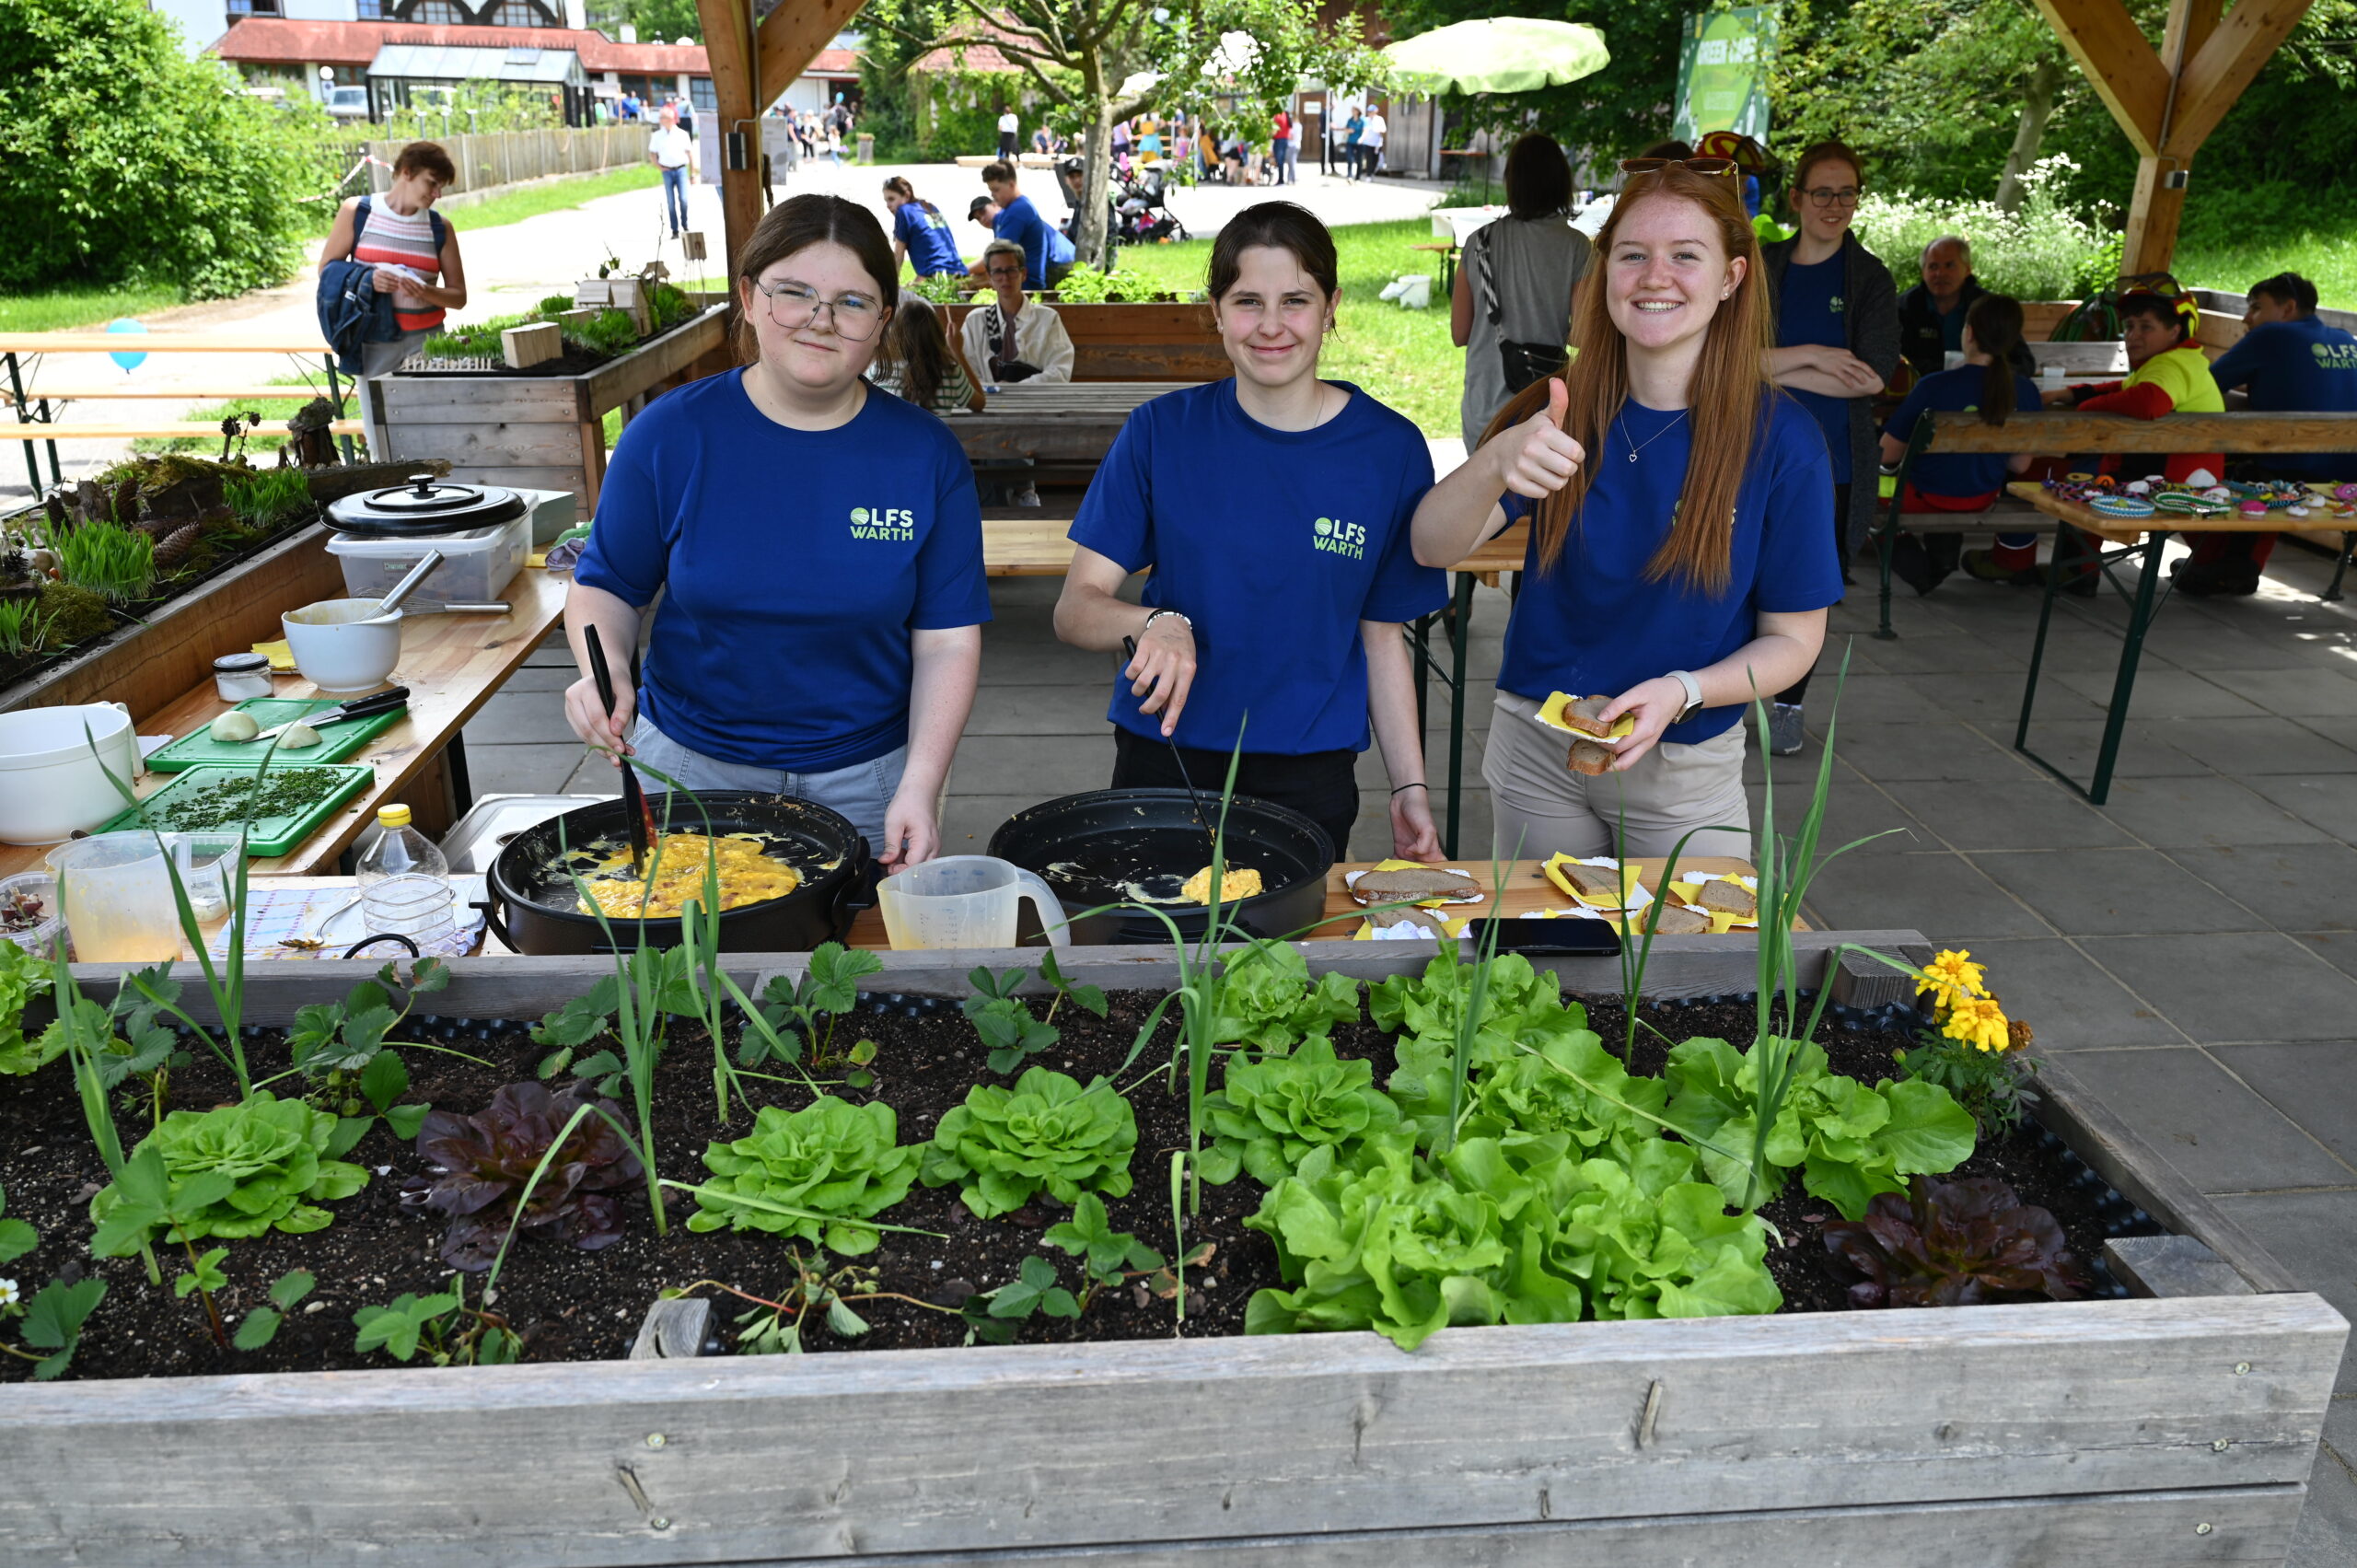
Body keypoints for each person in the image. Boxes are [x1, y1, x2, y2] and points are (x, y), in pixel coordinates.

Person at [1410, 162, 1840, 863]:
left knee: (1688, 968)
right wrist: (1492, 464)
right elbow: (1431, 547)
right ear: (1603, 273)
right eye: (1632, 254)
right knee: (1537, 966)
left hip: (1684, 766)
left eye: (1685, 256)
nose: (1654, 276)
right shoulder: (1558, 409)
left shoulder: (1782, 440)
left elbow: (1794, 640)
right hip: (1539, 747)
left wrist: (1684, 690)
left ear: (1731, 278)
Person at [564, 193, 988, 867]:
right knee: (690, 967)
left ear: (883, 321)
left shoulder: (926, 455)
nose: (820, 321)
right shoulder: (669, 437)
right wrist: (605, 670)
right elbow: (606, 587)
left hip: (868, 781)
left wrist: (920, 784)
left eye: (852, 303)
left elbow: (946, 642)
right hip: (691, 774)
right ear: (750, 296)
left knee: (856, 970)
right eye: (793, 292)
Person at [1053, 202, 1448, 862]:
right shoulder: (1160, 432)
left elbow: (1382, 638)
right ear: (1216, 310)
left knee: (1288, 964)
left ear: (1330, 308)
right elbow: (1076, 607)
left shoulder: (1389, 449)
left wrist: (1409, 782)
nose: (1271, 326)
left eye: (1295, 300)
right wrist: (1152, 622)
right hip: (1166, 759)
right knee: (1156, 957)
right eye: (1247, 301)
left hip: (1308, 771)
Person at [1759, 139, 1900, 754]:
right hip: (1752, 447)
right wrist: (1815, 356)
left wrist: (1768, 369)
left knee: (1807, 588)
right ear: (1796, 198)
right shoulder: (1763, 267)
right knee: (1733, 573)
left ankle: (1787, 705)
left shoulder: (1868, 277)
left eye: (1847, 193)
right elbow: (1724, 357)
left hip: (1834, 460)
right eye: (1823, 192)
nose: (1835, 205)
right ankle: (1714, 691)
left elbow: (1872, 376)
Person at [2037, 287, 2227, 595]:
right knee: (2082, 469)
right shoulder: (2176, 360)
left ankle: (2073, 571)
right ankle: (2073, 569)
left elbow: (2148, 402)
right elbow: (2124, 387)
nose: (2133, 335)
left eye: (2146, 327)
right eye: (2129, 326)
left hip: (2167, 485)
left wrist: (2084, 408)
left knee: (2071, 477)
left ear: (2174, 331)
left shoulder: (2171, 365)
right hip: (2184, 478)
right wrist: (2072, 394)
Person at [2192, 272, 2357, 595]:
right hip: (2348, 475)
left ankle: (2229, 566)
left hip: (2293, 472)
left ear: (2288, 308)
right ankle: (2226, 566)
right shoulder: (2344, 339)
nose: (2246, 318)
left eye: (2256, 307)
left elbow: (2203, 388)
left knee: (2215, 462)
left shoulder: (2271, 336)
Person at [1878, 294, 2043, 595]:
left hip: (1924, 498)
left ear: (1968, 333)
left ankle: (1921, 568)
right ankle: (1940, 562)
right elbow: (2020, 464)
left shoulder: (1933, 385)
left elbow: (1887, 453)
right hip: (1983, 496)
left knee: (1866, 498)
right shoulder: (2026, 391)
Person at [1454, 132, 1593, 447]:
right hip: (1543, 409)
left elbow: (1460, 332)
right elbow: (1582, 335)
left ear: (1511, 182)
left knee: (1484, 496)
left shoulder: (1480, 241)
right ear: (1562, 183)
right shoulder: (1575, 246)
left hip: (1483, 406)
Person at [320, 141, 467, 436]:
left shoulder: (440, 227)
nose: (437, 194)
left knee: (436, 432)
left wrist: (424, 292)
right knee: (382, 434)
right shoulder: (358, 211)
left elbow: (459, 297)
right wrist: (367, 279)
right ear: (407, 172)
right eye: (433, 183)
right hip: (374, 342)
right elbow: (327, 271)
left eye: (441, 188)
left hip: (428, 345)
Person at [961, 239, 1074, 386]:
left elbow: (1060, 371)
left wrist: (1017, 389)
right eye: (997, 272)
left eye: (1011, 270)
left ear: (1023, 273)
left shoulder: (1047, 318)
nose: (1005, 278)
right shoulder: (975, 321)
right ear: (990, 278)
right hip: (988, 403)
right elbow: (967, 370)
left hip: (1037, 404)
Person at [871, 294, 986, 415]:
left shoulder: (881, 370)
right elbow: (980, 404)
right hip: (935, 435)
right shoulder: (951, 372)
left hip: (892, 434)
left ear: (895, 336)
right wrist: (958, 352)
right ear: (937, 334)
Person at [981, 160, 1075, 291]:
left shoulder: (1017, 211)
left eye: (996, 190)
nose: (993, 196)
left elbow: (996, 255)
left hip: (1058, 268)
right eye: (991, 191)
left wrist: (964, 271)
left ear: (1011, 185)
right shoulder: (1012, 209)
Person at [883, 177, 965, 279]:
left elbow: (899, 255)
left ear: (907, 195)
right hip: (959, 271)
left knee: (905, 294)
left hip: (935, 276)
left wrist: (892, 285)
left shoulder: (904, 211)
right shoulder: (929, 207)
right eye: (886, 201)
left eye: (891, 199)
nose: (888, 205)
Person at [646, 104, 692, 238]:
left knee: (683, 199)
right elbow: (652, 154)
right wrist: (659, 166)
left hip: (681, 169)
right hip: (667, 171)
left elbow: (690, 153)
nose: (661, 120)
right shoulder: (657, 135)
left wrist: (693, 173)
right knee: (671, 202)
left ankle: (685, 223)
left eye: (663, 117)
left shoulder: (682, 134)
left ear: (671, 119)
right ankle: (675, 229)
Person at [1358, 104, 1387, 180]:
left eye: (1371, 111)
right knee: (1369, 159)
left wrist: (1379, 130)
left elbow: (1384, 130)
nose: (1370, 113)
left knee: (1375, 159)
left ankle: (1372, 172)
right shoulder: (1366, 120)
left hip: (1377, 143)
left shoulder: (1379, 119)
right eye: (1369, 112)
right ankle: (1368, 175)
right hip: (1368, 143)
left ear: (1375, 111)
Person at [1271, 107, 1295, 185]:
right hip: (1285, 140)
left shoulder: (1279, 115)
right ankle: (1281, 179)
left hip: (1279, 140)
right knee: (1281, 161)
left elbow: (1274, 130)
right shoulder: (1286, 115)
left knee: (1279, 161)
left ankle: (1281, 180)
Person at [1343, 107, 1364, 180]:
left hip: (1359, 143)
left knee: (1359, 160)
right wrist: (1348, 130)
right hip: (1350, 142)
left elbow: (1364, 131)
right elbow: (1345, 129)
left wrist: (1361, 138)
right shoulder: (1350, 120)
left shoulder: (1362, 121)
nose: (1353, 112)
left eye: (1354, 111)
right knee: (1350, 158)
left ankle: (1358, 177)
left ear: (1358, 112)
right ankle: (1349, 175)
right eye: (1352, 111)